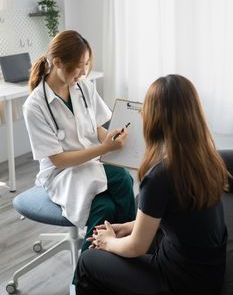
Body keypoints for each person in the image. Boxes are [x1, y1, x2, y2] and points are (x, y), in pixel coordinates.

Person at [75, 74, 229, 295]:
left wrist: (107, 242)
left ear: (154, 118)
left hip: (179, 282)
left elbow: (136, 247)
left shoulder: (160, 176)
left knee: (88, 261)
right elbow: (178, 217)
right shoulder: (207, 158)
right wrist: (128, 227)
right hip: (208, 274)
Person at [23, 30, 135, 251]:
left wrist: (111, 138)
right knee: (122, 178)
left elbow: (98, 127)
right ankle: (130, 251)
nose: (84, 71)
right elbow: (59, 161)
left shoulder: (83, 87)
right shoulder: (35, 106)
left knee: (105, 207)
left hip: (89, 165)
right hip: (61, 174)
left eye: (86, 64)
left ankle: (90, 275)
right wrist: (104, 148)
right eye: (79, 65)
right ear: (57, 62)